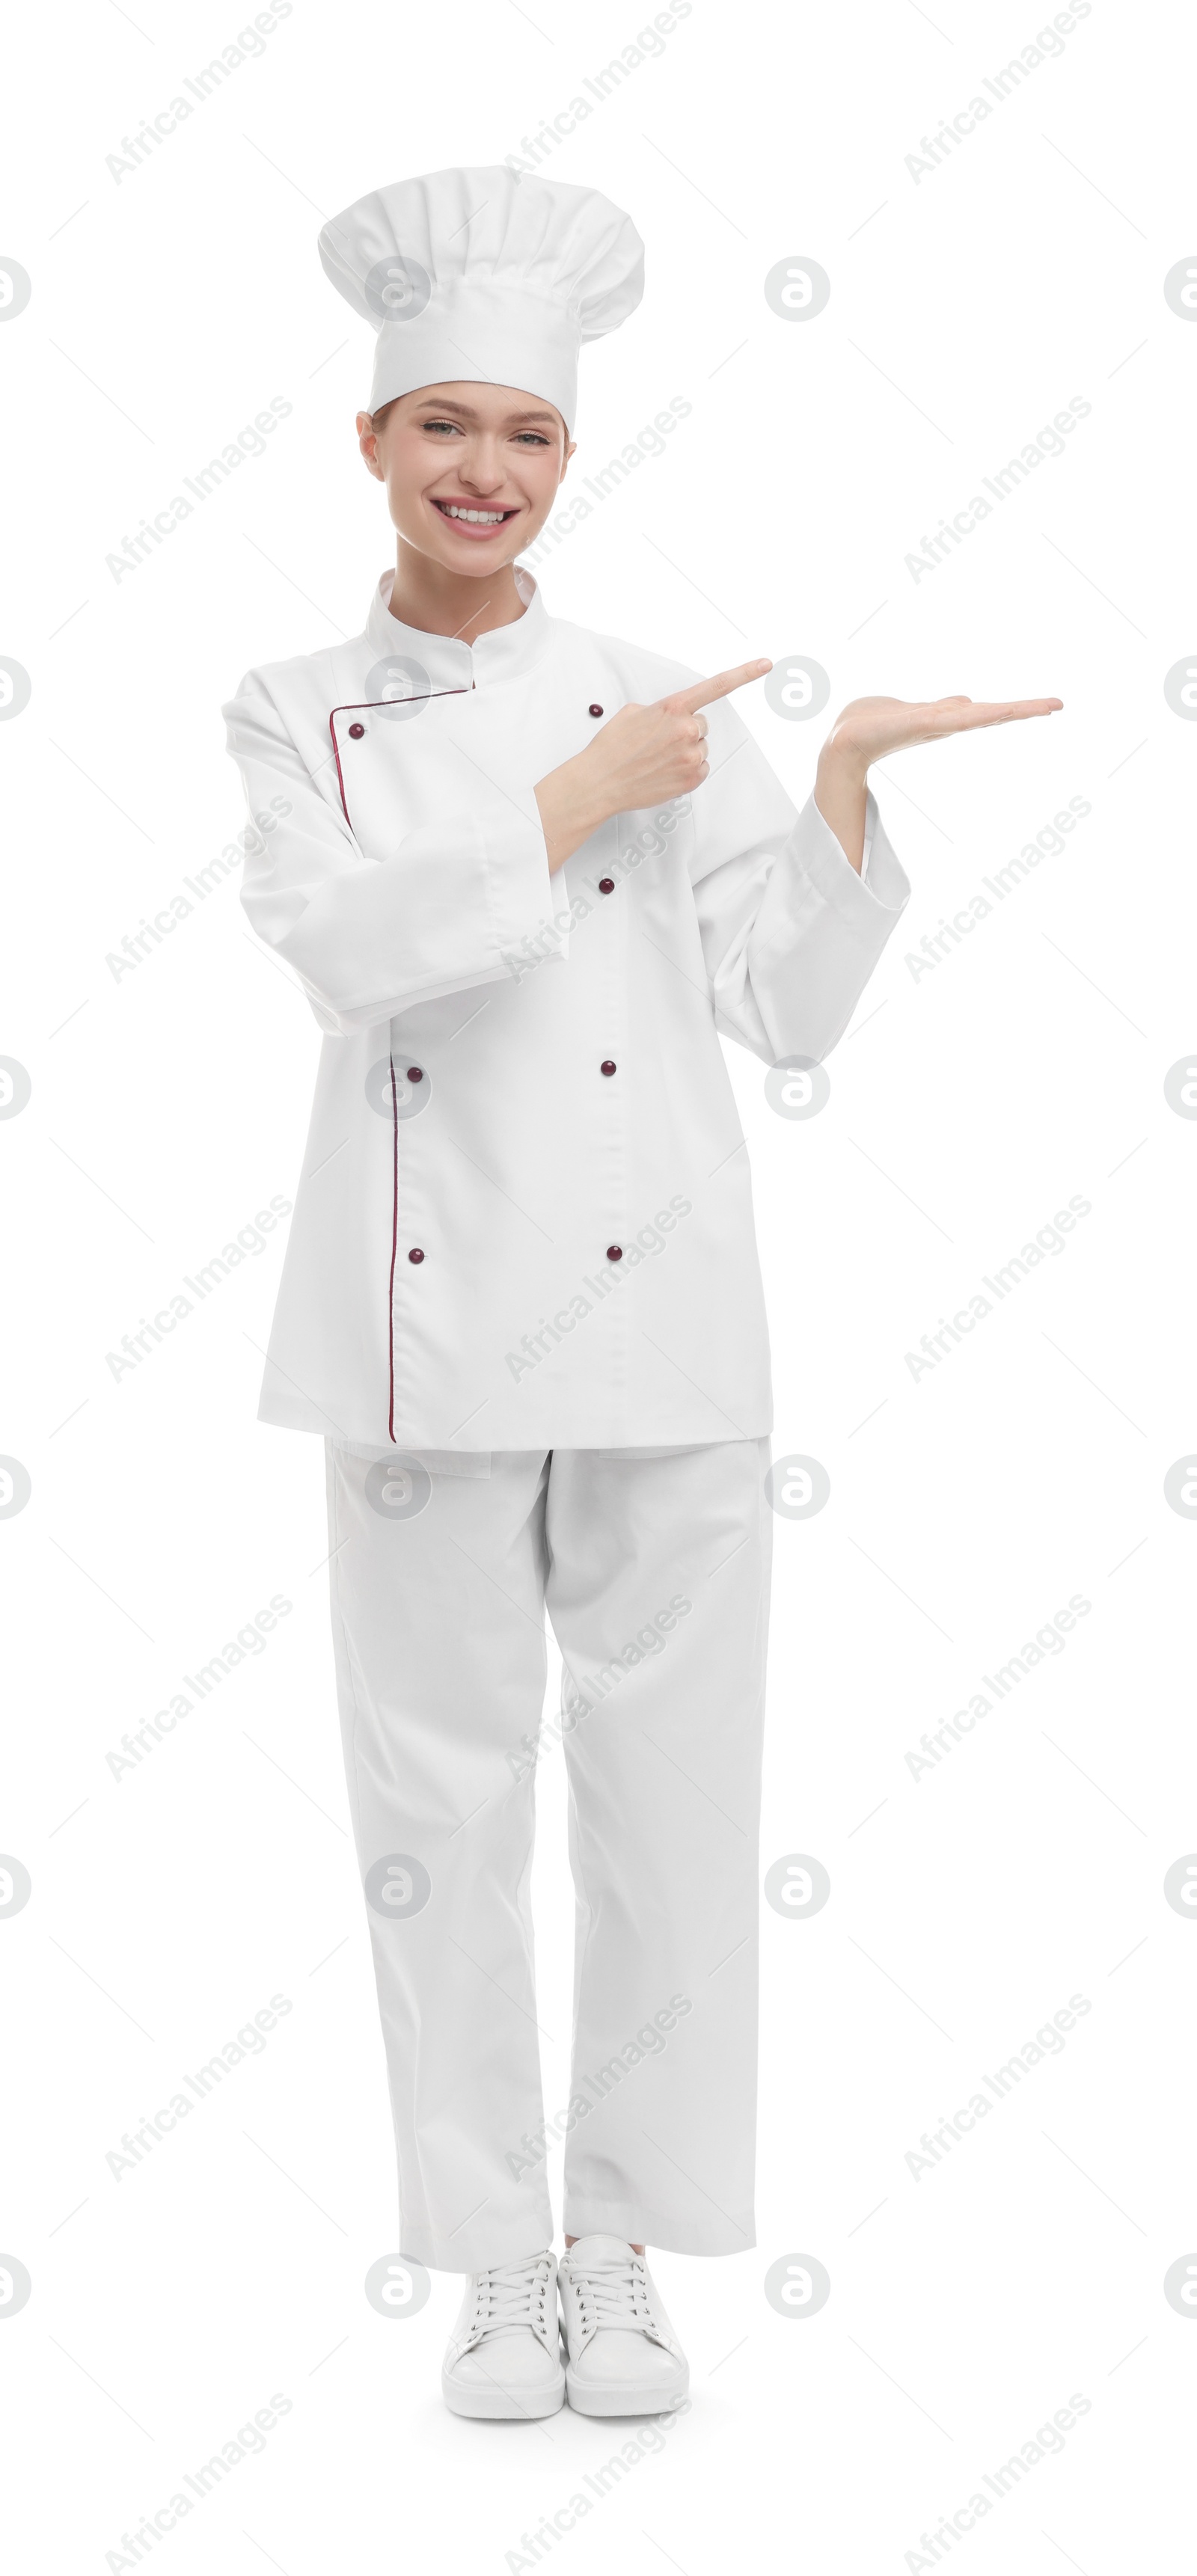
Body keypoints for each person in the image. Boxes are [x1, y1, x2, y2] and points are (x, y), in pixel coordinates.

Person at [223, 165, 1060, 2422]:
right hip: (414, 1338)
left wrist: (854, 797)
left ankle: (618, 2244)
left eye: (532, 436)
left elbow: (779, 1004)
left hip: (670, 1318)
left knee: (675, 1796)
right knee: (441, 1808)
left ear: (567, 460)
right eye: (448, 428)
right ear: (376, 443)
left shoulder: (664, 696)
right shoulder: (294, 709)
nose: (489, 470)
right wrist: (576, 797)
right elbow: (343, 951)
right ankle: (491, 2255)